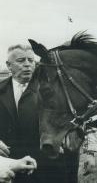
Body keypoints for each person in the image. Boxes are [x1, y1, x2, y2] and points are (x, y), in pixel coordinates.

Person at [0, 44, 79, 183]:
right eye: (21, 61)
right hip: (13, 167)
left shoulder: (54, 90)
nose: (27, 65)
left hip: (51, 166)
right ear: (8, 65)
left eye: (31, 60)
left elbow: (74, 120)